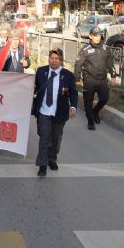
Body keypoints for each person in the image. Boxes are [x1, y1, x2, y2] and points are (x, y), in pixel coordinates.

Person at [32, 48, 78, 176]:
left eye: (56, 58)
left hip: (59, 112)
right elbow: (32, 87)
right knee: (44, 137)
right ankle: (42, 165)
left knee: (56, 138)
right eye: (51, 58)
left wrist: (73, 107)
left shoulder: (67, 75)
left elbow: (73, 93)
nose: (53, 60)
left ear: (61, 60)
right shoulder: (41, 71)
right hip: (43, 111)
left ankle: (52, 158)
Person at [74, 27, 117, 130]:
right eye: (95, 35)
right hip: (89, 80)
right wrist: (77, 79)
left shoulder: (106, 48)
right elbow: (78, 65)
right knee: (88, 101)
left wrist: (113, 75)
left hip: (102, 80)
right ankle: (90, 121)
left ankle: (95, 111)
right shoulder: (85, 50)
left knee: (104, 98)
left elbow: (110, 63)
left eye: (99, 35)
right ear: (90, 36)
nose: (98, 37)